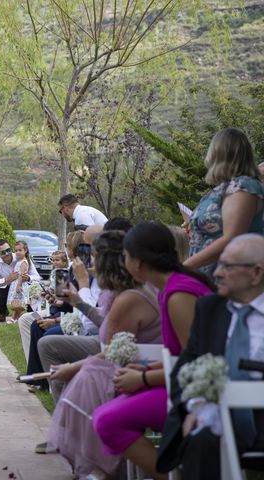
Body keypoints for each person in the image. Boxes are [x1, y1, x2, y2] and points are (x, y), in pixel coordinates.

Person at [91, 222, 214, 479]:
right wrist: (147, 369)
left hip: (199, 395)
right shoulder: (167, 289)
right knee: (104, 413)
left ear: (138, 261)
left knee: (107, 421)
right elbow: (183, 354)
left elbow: (198, 363)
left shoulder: (180, 294)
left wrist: (144, 378)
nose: (123, 263)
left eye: (125, 256)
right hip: (176, 381)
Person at [42, 230, 163, 478]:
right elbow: (109, 331)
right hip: (122, 365)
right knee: (80, 376)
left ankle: (102, 467)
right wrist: (78, 301)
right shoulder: (124, 294)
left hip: (131, 371)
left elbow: (110, 352)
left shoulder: (130, 298)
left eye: (95, 257)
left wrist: (71, 368)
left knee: (82, 380)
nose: (91, 263)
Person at [157, 234, 264, 480]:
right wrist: (197, 405)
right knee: (200, 441)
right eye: (218, 265)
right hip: (218, 418)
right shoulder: (210, 309)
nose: (216, 273)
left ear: (256, 273)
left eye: (227, 266)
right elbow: (184, 369)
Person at [184, 128, 264, 276]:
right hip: (208, 277)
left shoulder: (243, 186)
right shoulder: (226, 187)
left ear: (217, 153)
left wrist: (183, 267)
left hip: (229, 281)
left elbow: (232, 239)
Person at [0, 239, 41, 322]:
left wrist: (28, 278)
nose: (7, 253)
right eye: (3, 252)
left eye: (8, 250)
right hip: (7, 290)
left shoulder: (21, 256)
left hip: (22, 288)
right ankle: (3, 312)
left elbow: (37, 277)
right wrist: (7, 279)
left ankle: (33, 315)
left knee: (35, 288)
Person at [7, 240, 33, 322]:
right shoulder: (19, 261)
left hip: (20, 284)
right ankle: (16, 318)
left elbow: (22, 275)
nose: (17, 252)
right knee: (16, 303)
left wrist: (18, 286)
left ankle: (14, 317)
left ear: (25, 251)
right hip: (15, 283)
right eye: (16, 250)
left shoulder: (24, 262)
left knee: (18, 303)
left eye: (20, 250)